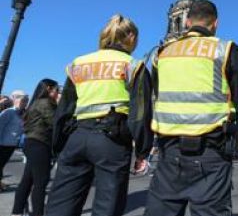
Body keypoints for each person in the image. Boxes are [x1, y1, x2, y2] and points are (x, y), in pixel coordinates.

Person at [144, 0, 238, 216]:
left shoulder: (162, 53)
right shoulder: (225, 49)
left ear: (186, 21)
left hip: (169, 153)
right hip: (211, 152)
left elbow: (158, 93)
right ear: (215, 24)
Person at [45, 15, 153, 216]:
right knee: (107, 206)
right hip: (112, 140)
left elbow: (65, 109)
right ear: (130, 37)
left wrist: (59, 145)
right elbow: (140, 113)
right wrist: (142, 152)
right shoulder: (133, 65)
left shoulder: (80, 63)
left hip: (76, 137)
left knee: (60, 205)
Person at [11, 80, 58, 216]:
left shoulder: (36, 102)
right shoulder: (45, 103)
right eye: (56, 90)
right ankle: (37, 213)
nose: (57, 93)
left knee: (27, 180)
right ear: (49, 89)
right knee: (40, 182)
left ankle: (17, 212)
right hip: (40, 144)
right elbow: (55, 122)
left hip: (32, 143)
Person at [0, 91, 28, 191]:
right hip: (2, 144)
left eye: (26, 101)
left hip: (11, 144)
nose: (24, 102)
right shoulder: (8, 112)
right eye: (23, 100)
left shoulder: (23, 113)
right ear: (15, 100)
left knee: (2, 164)